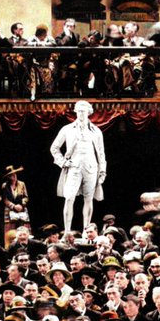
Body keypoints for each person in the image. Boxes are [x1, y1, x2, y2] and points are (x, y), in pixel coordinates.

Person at [50, 100, 107, 234]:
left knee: (88, 199)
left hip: (91, 168)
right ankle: (67, 231)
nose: (81, 113)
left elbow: (101, 153)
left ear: (89, 112)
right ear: (75, 112)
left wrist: (102, 171)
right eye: (79, 110)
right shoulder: (67, 129)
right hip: (74, 168)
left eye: (84, 111)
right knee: (69, 198)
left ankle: (86, 231)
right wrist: (63, 162)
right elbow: (54, 148)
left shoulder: (96, 131)